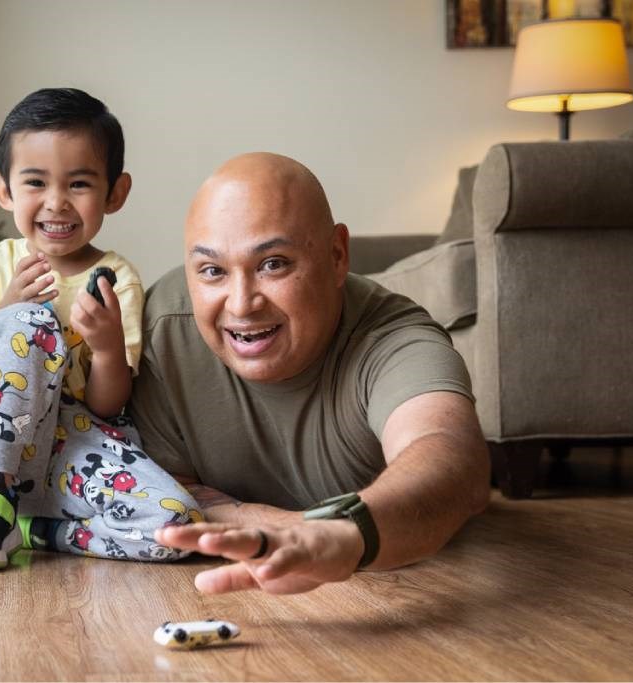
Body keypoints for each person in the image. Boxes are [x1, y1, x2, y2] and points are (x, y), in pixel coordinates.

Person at [129, 152, 491, 594]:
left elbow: (453, 457)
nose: (241, 304)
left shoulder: (392, 338)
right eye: (213, 271)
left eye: (273, 264)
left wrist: (343, 534)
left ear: (337, 255)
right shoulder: (160, 330)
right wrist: (290, 527)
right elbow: (167, 488)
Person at [0, 88, 200, 570]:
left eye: (78, 184)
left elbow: (107, 405)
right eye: (35, 182)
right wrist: (3, 310)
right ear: (4, 189)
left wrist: (107, 347)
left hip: (71, 447)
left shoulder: (117, 278)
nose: (56, 203)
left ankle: (36, 529)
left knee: (177, 528)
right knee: (28, 320)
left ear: (114, 193)